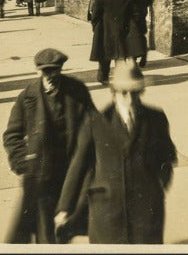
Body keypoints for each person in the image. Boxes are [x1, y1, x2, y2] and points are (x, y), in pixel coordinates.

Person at [54, 64, 177, 244]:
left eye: (135, 92)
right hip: (107, 212)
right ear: (114, 93)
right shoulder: (96, 122)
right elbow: (78, 166)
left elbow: (167, 158)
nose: (130, 98)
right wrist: (64, 207)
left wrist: (156, 189)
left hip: (146, 213)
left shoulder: (156, 118)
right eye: (124, 92)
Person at [2, 48, 97, 244]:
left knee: (65, 226)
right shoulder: (27, 96)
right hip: (41, 175)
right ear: (38, 71)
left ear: (61, 69)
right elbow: (12, 135)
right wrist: (22, 163)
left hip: (70, 173)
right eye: (46, 71)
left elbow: (95, 126)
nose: (50, 76)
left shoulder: (77, 91)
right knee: (44, 230)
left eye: (54, 70)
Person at [92, 0, 145, 87]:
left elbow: (95, 16)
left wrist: (96, 28)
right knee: (120, 55)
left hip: (105, 30)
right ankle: (120, 77)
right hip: (123, 29)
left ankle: (103, 77)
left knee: (104, 56)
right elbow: (136, 14)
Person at [119, 0, 155, 68]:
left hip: (132, 15)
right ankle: (143, 55)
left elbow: (126, 2)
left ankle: (134, 57)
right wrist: (143, 7)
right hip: (142, 13)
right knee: (141, 35)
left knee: (132, 36)